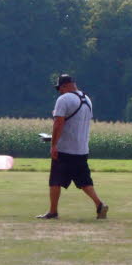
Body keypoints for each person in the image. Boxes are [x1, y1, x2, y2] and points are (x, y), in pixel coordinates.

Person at [37, 74, 109, 220]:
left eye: (60, 89)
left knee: (55, 180)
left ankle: (53, 211)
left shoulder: (63, 99)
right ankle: (99, 204)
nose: (60, 92)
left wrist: (53, 145)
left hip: (65, 149)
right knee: (84, 181)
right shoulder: (87, 99)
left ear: (64, 86)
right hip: (81, 150)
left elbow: (58, 124)